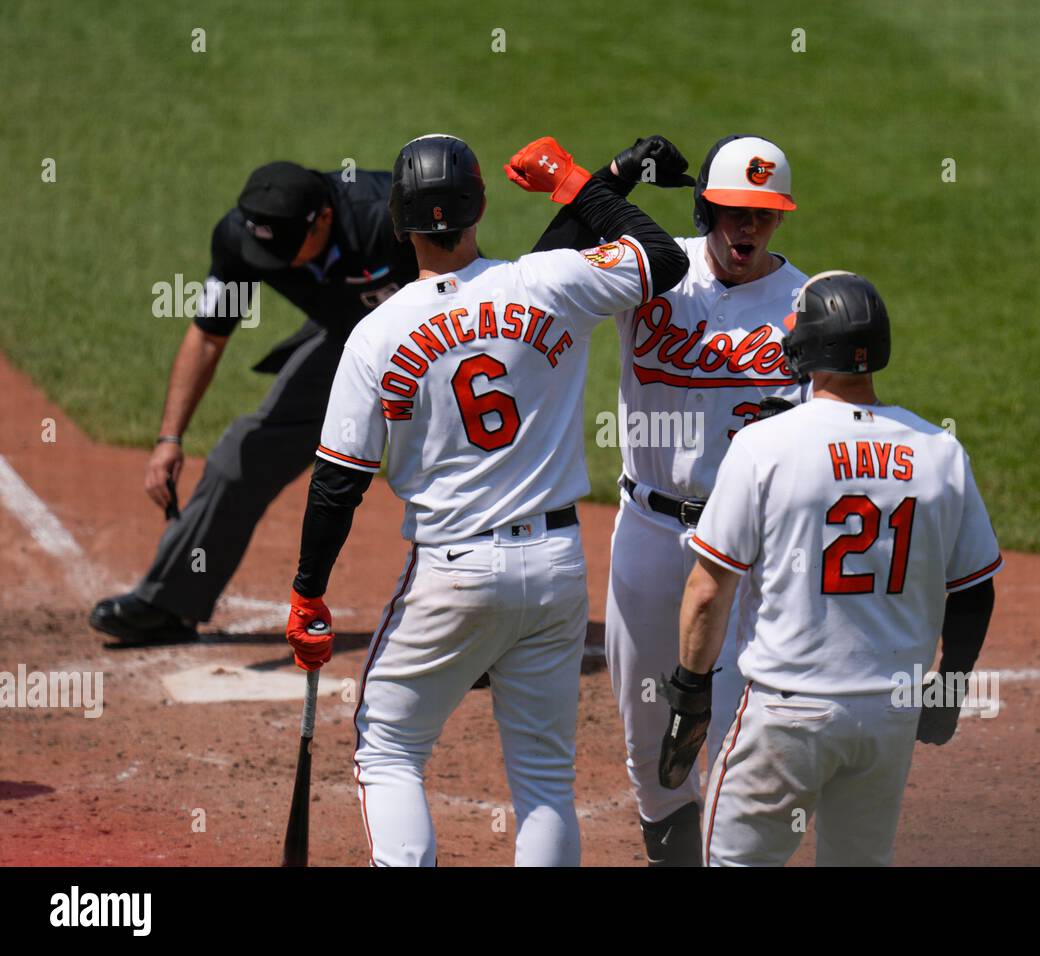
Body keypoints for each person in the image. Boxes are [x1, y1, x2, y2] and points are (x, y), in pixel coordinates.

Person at [282, 133, 688, 866]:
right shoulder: (546, 283)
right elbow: (662, 257)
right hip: (558, 565)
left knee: (390, 747)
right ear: (481, 205)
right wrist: (587, 181)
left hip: (451, 571)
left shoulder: (376, 335)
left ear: (400, 224)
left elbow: (338, 481)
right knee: (543, 782)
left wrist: (308, 592)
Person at [658, 271, 1001, 866]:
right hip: (888, 714)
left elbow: (709, 591)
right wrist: (948, 689)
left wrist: (690, 692)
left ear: (806, 348)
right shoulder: (939, 450)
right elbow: (973, 590)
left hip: (787, 716)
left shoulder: (765, 445)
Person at [533, 134, 808, 865]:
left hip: (751, 548)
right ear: (703, 206)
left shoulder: (807, 306)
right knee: (649, 732)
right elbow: (544, 268)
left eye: (763, 214)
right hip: (650, 536)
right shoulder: (656, 272)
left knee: (733, 736)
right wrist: (613, 176)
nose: (746, 228)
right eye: (732, 212)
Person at [90, 161, 419, 645]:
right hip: (349, 343)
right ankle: (170, 602)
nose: (273, 262)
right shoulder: (243, 239)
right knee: (242, 454)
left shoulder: (384, 218)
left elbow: (463, 289)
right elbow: (207, 338)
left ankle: (487, 621)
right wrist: (169, 439)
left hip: (436, 347)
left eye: (285, 250)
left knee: (447, 469)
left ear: (324, 218)